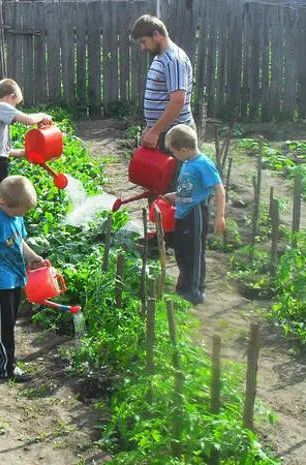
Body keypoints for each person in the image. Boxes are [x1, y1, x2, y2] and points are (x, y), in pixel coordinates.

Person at [0, 175, 45, 382]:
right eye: (21, 211)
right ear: (5, 203)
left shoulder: (15, 215)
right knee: (2, 325)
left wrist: (32, 257)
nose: (22, 214)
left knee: (2, 322)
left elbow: (18, 240)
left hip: (14, 277)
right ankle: (5, 367)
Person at [161, 125, 226, 305]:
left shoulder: (203, 164)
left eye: (174, 152)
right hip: (182, 213)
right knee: (181, 252)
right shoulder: (188, 163)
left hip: (195, 214)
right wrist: (174, 196)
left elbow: (219, 191)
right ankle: (183, 287)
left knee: (194, 253)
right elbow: (189, 189)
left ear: (183, 149)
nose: (174, 155)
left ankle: (195, 291)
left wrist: (220, 216)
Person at [0, 78, 52, 220]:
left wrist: (23, 153)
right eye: (15, 104)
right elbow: (28, 120)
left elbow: (3, 150)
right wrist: (42, 116)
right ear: (11, 97)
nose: (14, 108)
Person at [131, 15, 195, 190]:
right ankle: (158, 217)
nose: (143, 47)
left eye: (144, 42)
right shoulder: (161, 57)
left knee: (173, 190)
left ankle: (174, 218)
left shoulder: (173, 60)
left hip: (175, 136)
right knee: (157, 185)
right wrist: (151, 127)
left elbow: (177, 101)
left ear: (156, 34)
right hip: (163, 132)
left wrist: (156, 130)